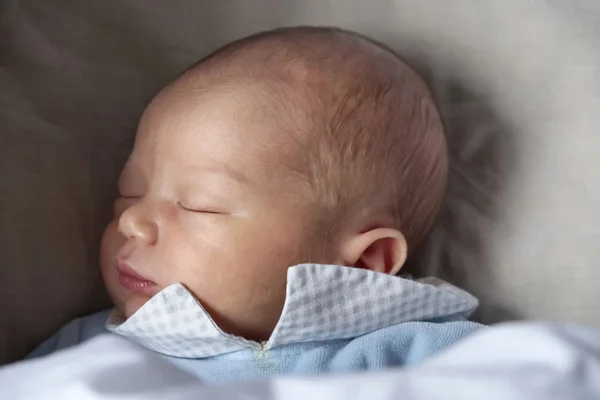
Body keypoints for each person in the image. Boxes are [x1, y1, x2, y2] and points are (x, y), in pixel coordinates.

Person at [28, 26, 482, 383]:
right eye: (130, 191)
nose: (131, 220)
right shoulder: (83, 350)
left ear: (364, 261)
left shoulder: (426, 354)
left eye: (199, 205)